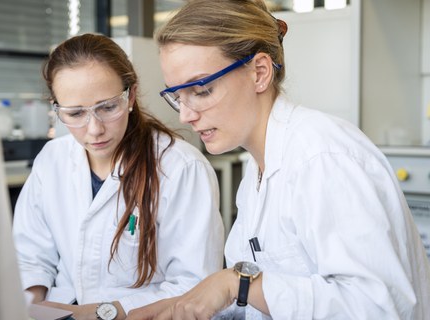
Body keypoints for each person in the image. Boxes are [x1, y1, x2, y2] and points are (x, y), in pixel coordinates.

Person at [127, 0, 430, 319]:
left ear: (259, 72)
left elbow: (376, 307)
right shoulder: (257, 166)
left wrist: (237, 284)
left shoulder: (322, 156)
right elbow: (267, 302)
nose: (186, 115)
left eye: (201, 90)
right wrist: (176, 308)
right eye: (177, 96)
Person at [12, 33, 225, 320]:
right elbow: (29, 255)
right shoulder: (52, 160)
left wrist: (107, 312)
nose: (94, 129)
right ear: (56, 108)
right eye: (75, 114)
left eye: (107, 107)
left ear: (131, 96)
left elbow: (195, 285)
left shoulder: (181, 168)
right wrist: (28, 305)